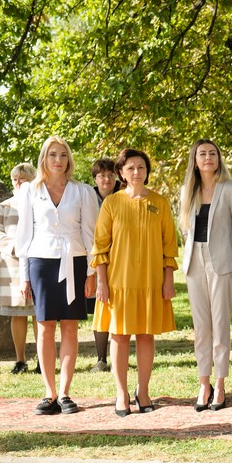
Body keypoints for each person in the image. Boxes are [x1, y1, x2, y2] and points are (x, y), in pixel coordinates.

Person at [15, 136, 98, 415]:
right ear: (44, 158)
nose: (58, 160)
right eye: (53, 155)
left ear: (69, 159)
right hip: (41, 263)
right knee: (45, 326)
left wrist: (91, 272)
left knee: (70, 326)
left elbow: (90, 234)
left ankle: (64, 393)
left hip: (74, 261)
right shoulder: (30, 191)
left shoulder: (82, 191)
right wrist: (24, 276)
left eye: (63, 155)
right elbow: (24, 236)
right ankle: (49, 393)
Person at [92, 148, 178, 417]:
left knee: (146, 335)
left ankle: (143, 391)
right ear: (121, 172)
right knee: (119, 336)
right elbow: (100, 246)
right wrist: (101, 282)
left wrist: (168, 280)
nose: (136, 172)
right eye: (130, 168)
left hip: (151, 281)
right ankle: (122, 393)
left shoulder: (160, 203)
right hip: (118, 281)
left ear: (147, 171)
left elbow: (169, 246)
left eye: (141, 167)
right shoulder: (112, 203)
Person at [179, 140, 232, 411]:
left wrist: (231, 254)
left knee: (220, 325)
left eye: (212, 153)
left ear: (218, 158)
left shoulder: (230, 189)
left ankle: (220, 384)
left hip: (222, 262)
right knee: (201, 328)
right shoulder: (187, 190)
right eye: (202, 154)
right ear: (195, 160)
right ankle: (203, 383)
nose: (208, 157)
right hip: (194, 261)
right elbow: (185, 228)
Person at [0, 163, 38, 375]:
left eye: (23, 178)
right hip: (12, 265)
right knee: (17, 314)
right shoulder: (5, 205)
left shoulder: (41, 202)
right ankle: (20, 360)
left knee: (40, 314)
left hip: (38, 262)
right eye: (15, 179)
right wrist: (14, 247)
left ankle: (42, 360)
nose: (18, 182)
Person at [87, 158, 120, 373]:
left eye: (110, 175)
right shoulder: (88, 197)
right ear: (95, 179)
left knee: (118, 306)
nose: (106, 179)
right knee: (100, 306)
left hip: (120, 258)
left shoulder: (124, 196)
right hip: (94, 257)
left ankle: (119, 355)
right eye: (102, 176)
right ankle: (101, 358)